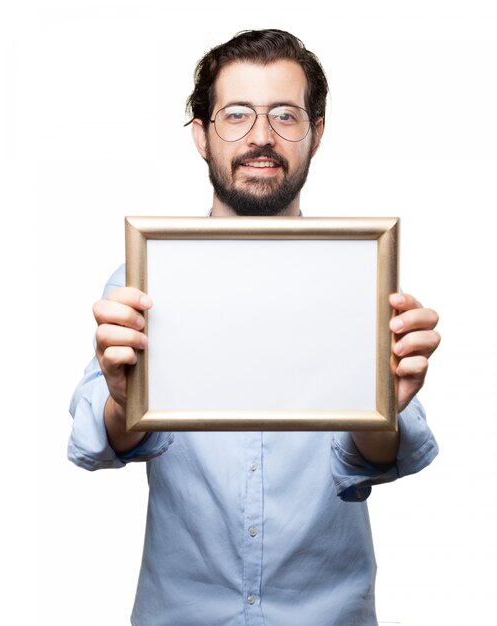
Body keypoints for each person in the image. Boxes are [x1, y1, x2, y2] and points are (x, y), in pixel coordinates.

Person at [68, 29, 440, 626]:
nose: (261, 137)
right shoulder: (145, 275)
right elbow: (93, 441)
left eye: (285, 115)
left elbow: (388, 453)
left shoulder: (360, 278)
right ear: (201, 134)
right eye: (236, 114)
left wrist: (383, 411)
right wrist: (122, 399)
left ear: (317, 134)